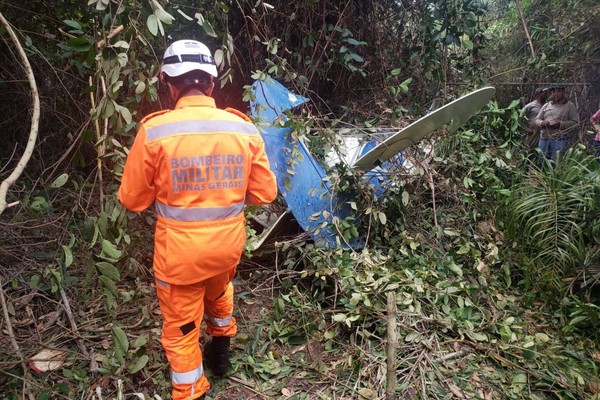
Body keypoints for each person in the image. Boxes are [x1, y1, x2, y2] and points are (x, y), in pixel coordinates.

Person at [118, 40, 277, 400]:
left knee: (181, 327)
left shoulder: (155, 132)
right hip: (227, 249)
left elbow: (132, 199)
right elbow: (265, 193)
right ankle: (221, 349)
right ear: (211, 83)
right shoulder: (243, 129)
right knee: (219, 290)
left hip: (179, 257)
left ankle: (191, 390)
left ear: (168, 84)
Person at [535, 85, 579, 160]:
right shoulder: (547, 105)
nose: (556, 93)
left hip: (559, 139)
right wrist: (542, 123)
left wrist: (559, 124)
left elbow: (575, 122)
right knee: (542, 161)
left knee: (555, 162)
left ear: (563, 92)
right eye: (553, 91)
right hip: (544, 138)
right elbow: (537, 119)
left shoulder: (569, 106)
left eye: (558, 91)